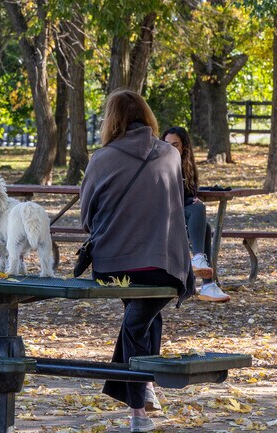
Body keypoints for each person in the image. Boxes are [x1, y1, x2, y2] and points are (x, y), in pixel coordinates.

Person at [80, 89, 195, 433]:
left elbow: (88, 218)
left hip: (115, 265)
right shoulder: (171, 156)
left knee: (136, 320)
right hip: (166, 262)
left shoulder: (101, 158)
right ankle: (143, 390)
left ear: (112, 119)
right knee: (143, 316)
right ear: (146, 116)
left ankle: (138, 409)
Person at [160, 126, 231, 303]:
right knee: (198, 209)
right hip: (160, 214)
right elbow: (163, 197)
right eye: (167, 144)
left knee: (205, 227)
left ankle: (207, 284)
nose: (171, 148)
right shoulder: (158, 165)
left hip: (177, 212)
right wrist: (191, 201)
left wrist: (192, 199)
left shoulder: (187, 166)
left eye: (175, 144)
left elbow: (187, 194)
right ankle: (202, 269)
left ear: (184, 147)